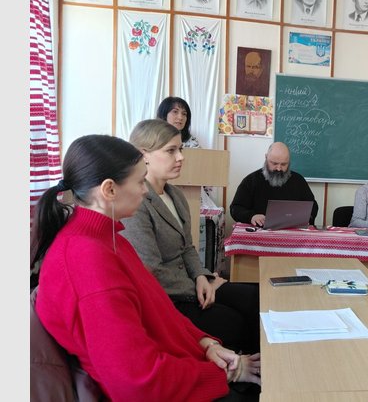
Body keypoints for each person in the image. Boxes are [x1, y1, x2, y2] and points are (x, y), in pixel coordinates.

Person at [31, 134, 261, 401]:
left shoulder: (109, 237)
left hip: (179, 368)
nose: (145, 190)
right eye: (140, 181)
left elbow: (161, 310)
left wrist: (205, 343)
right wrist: (226, 374)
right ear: (109, 190)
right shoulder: (87, 261)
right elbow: (137, 384)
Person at [121, 119, 261, 358]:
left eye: (181, 149)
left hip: (191, 283)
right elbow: (151, 270)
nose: (181, 157)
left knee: (255, 299)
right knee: (235, 323)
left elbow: (187, 247)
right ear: (144, 155)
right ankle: (245, 370)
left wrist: (201, 276)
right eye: (171, 151)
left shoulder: (176, 195)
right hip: (169, 299)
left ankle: (262, 365)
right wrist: (200, 285)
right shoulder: (137, 203)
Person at [230, 142, 319, 227]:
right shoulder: (251, 180)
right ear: (266, 157)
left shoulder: (298, 180)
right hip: (259, 232)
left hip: (292, 231)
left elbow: (312, 206)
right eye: (274, 163)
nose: (279, 168)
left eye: (284, 164)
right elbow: (235, 208)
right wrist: (251, 216)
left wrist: (306, 218)